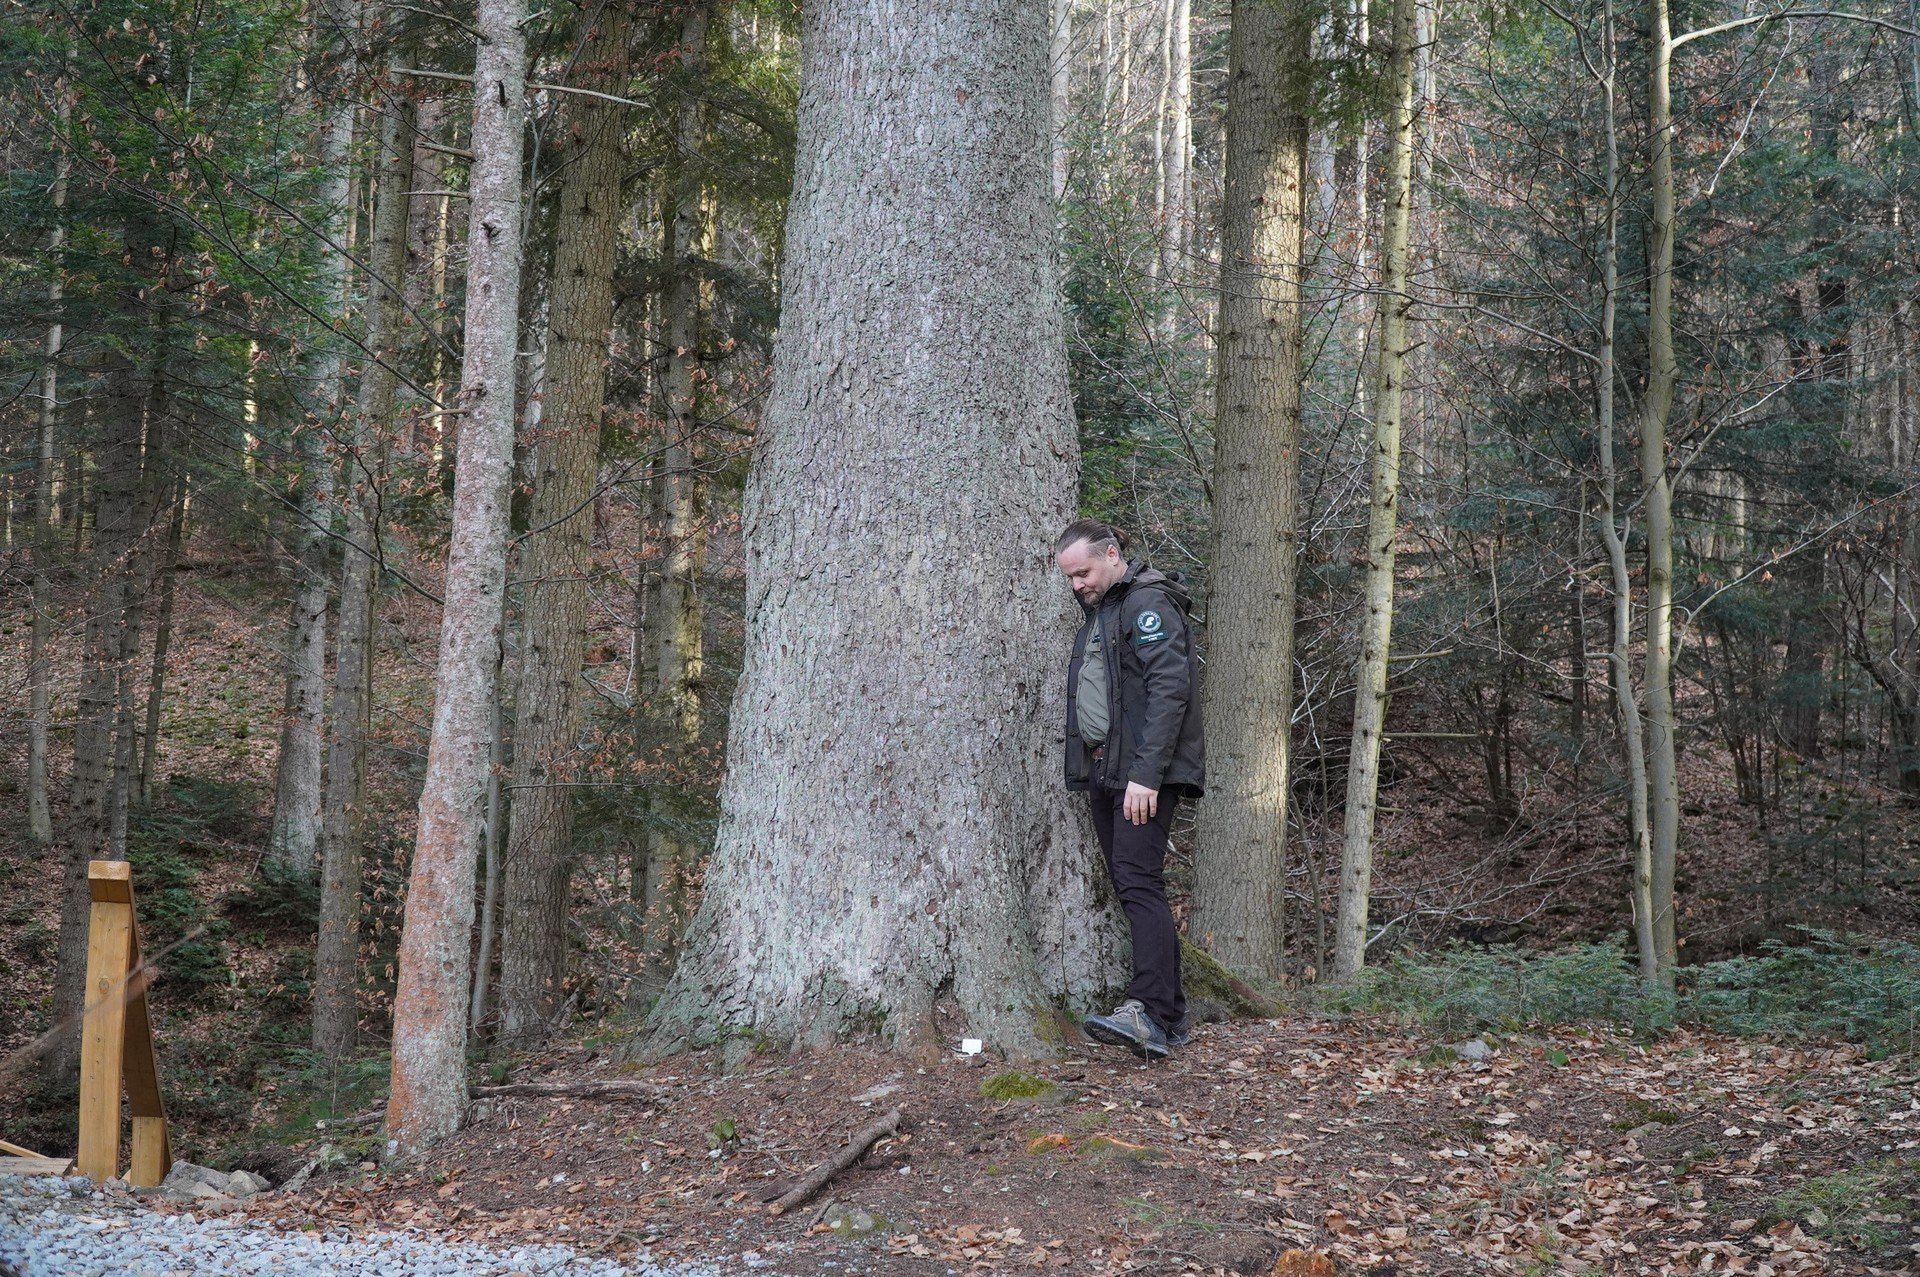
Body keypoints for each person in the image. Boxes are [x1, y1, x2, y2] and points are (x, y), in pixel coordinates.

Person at [1054, 518, 1205, 1060]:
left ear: (1112, 555)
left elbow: (1170, 690)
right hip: (1108, 768)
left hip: (1141, 775)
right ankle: (1171, 1014)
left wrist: (1146, 776)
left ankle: (1150, 1013)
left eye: (1083, 573)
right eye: (1070, 578)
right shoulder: (1106, 609)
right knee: (1130, 882)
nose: (1077, 585)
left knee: (1139, 882)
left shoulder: (1147, 604)